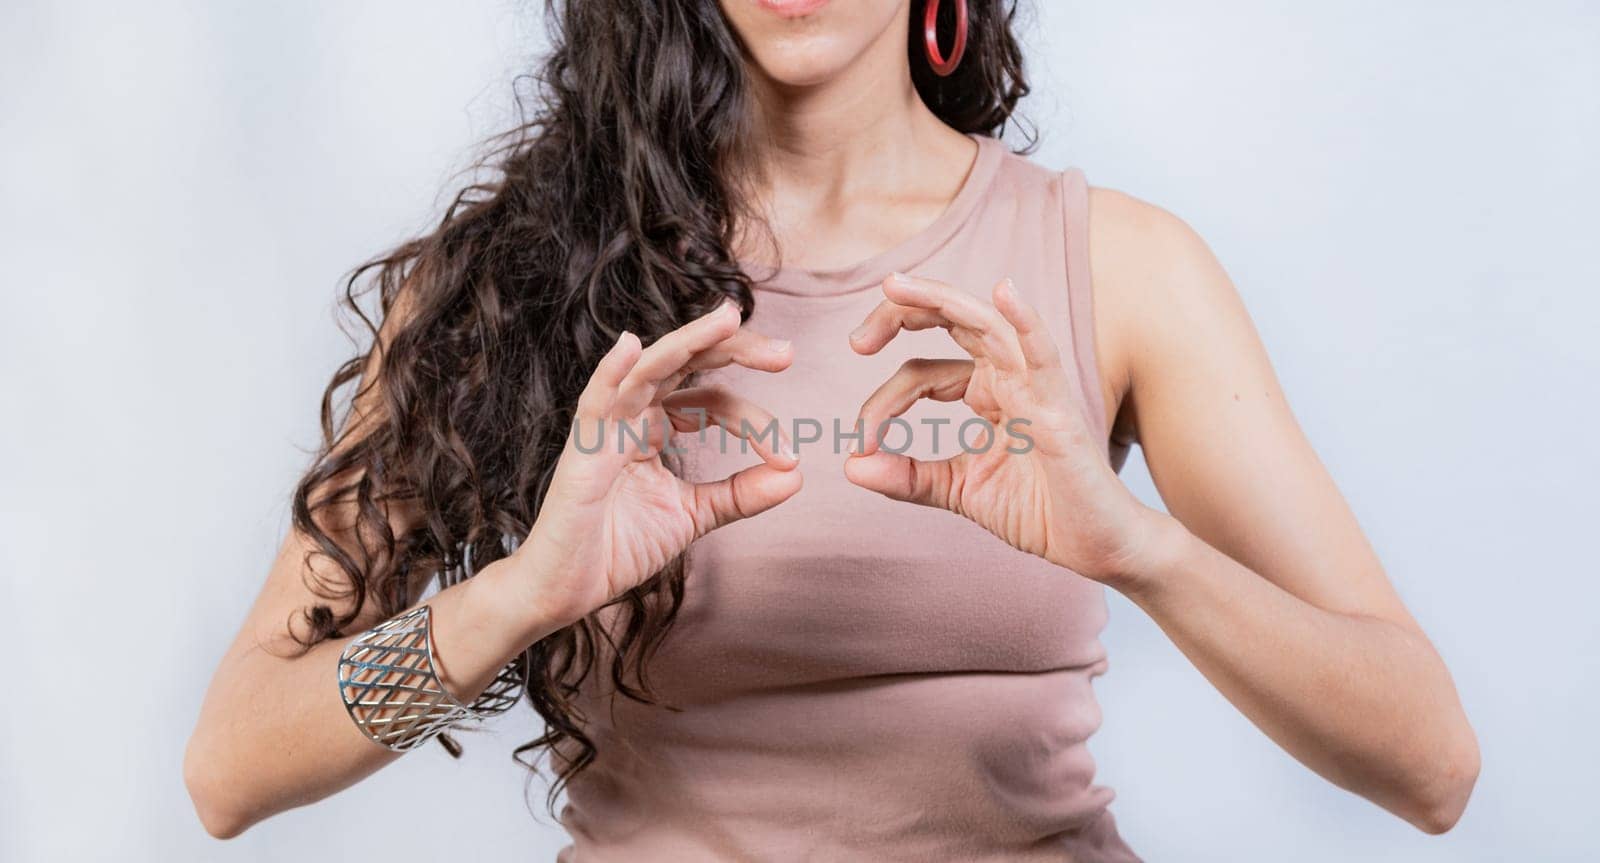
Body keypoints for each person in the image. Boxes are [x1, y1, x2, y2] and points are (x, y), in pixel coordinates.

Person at [184, 1, 1479, 859]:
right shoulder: (526, 276)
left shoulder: (1120, 271)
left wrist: (1141, 550)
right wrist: (520, 597)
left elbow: (1429, 764)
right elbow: (235, 764)